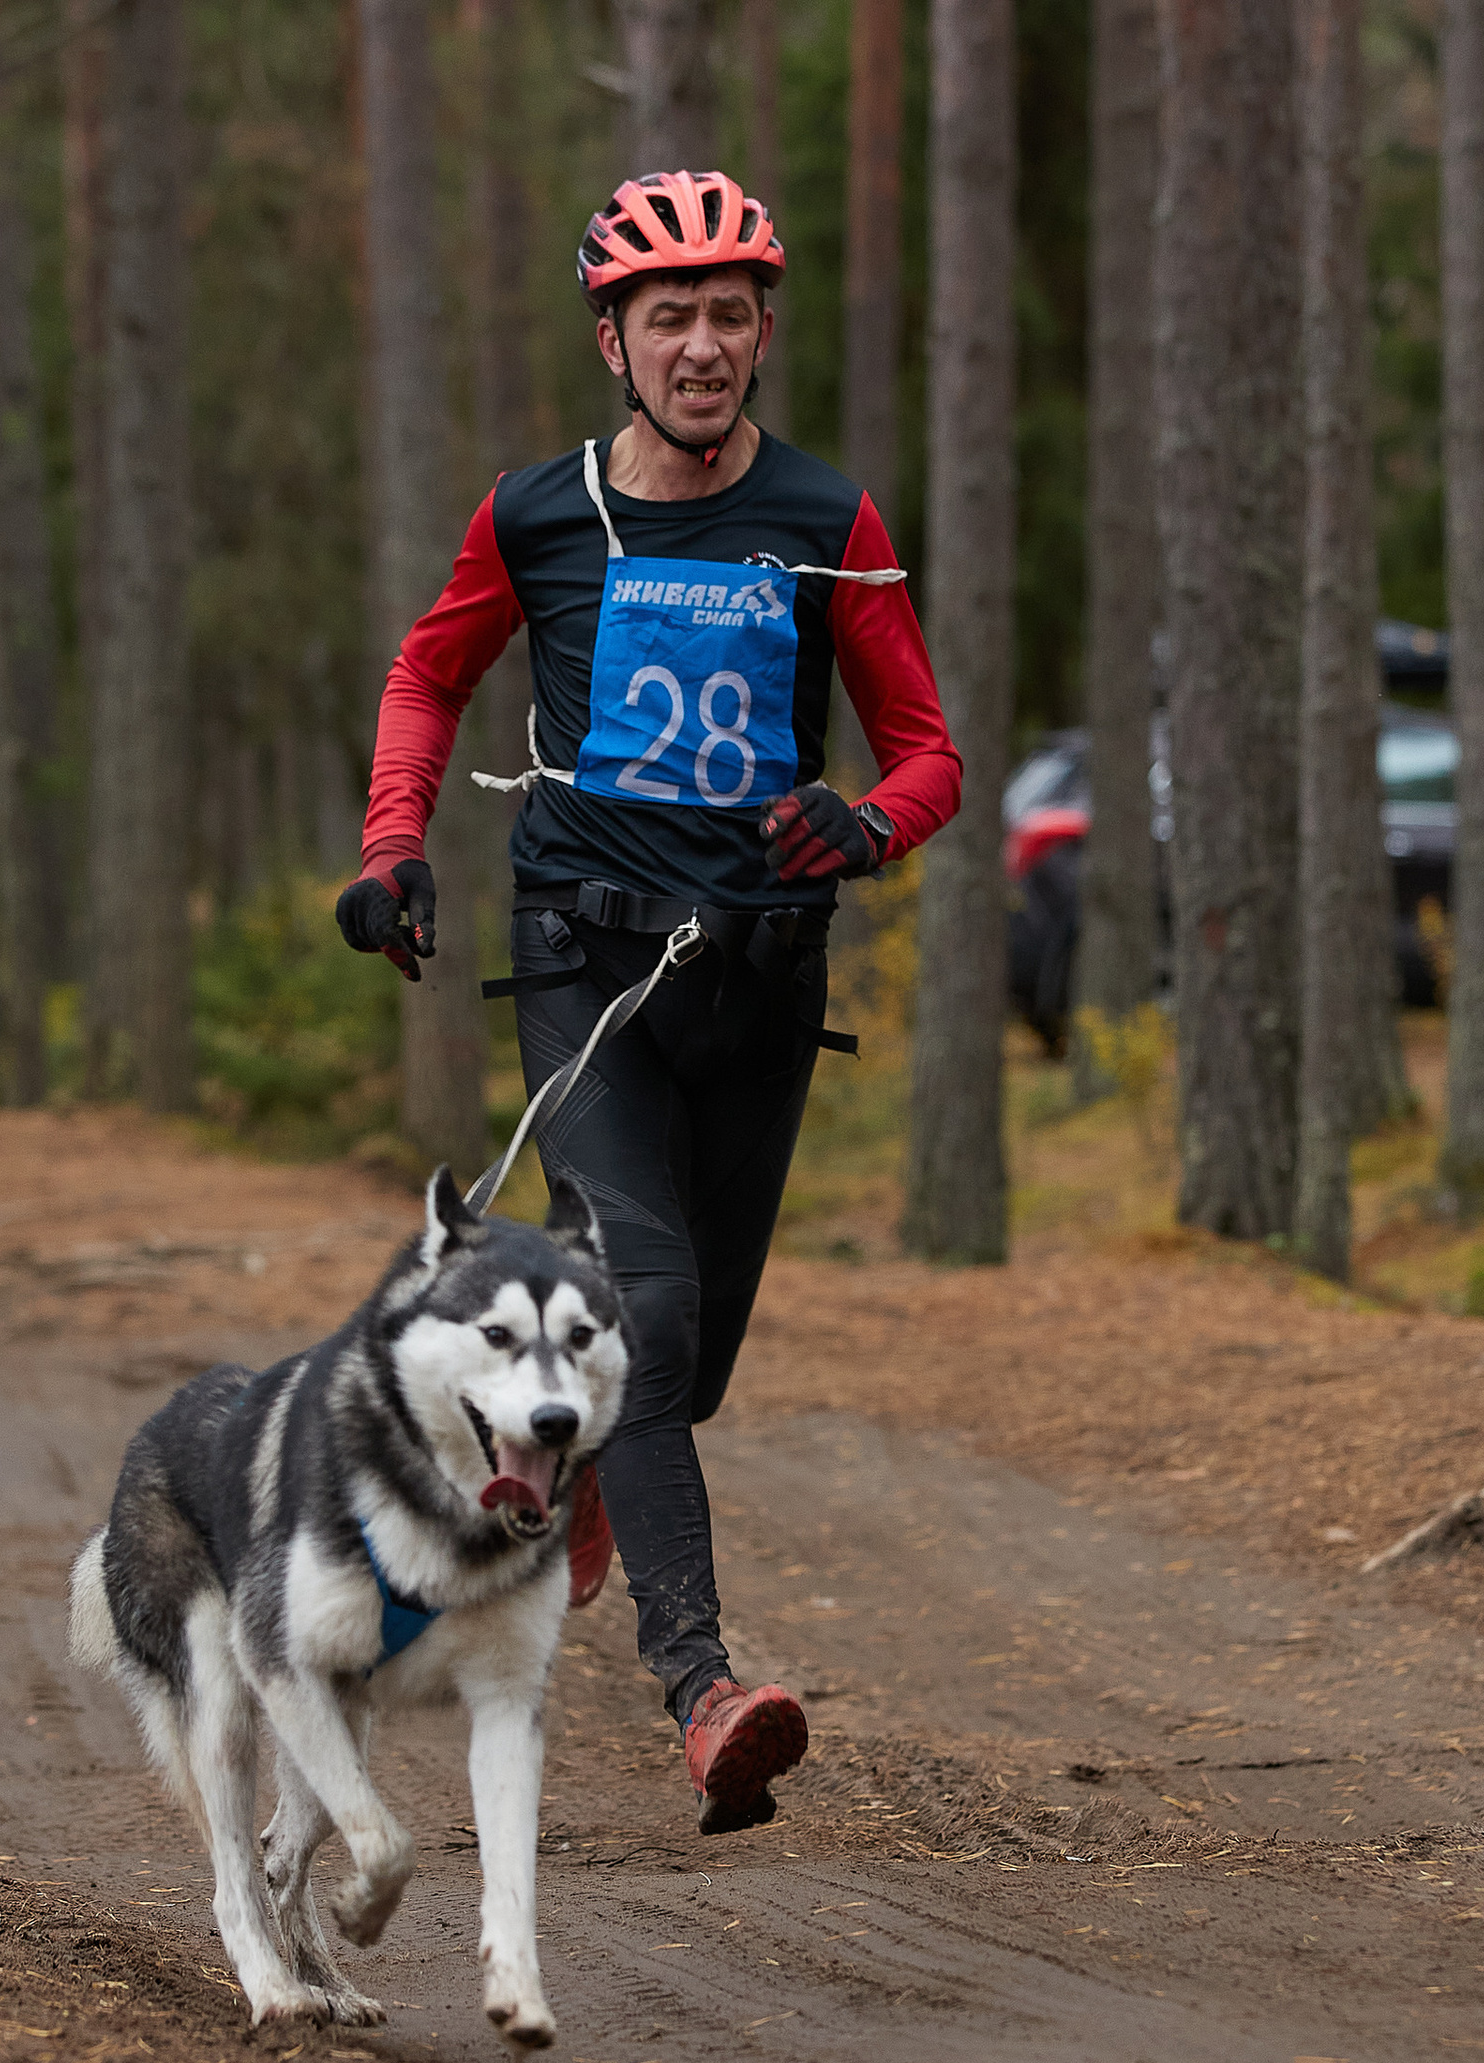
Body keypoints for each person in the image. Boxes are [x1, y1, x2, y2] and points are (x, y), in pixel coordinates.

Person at [336, 170, 962, 1834]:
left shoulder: (831, 520)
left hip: (758, 980)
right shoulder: (537, 515)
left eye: (730, 315)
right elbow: (426, 672)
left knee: (692, 1361)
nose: (702, 344)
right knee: (654, 1313)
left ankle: (592, 1449)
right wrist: (396, 845)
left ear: (763, 334)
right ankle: (704, 1689)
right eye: (669, 316)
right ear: (615, 338)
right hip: (586, 960)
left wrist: (868, 823)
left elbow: (929, 755)